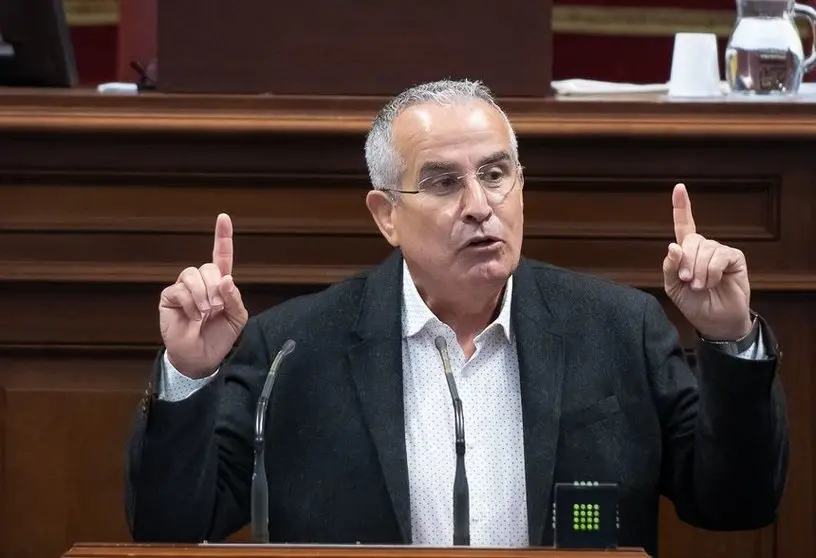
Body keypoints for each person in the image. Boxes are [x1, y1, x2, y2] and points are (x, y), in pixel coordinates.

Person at [125, 79, 788, 557]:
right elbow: (170, 525)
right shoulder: (295, 350)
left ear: (521, 187)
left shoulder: (618, 328)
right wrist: (187, 374)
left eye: (497, 174)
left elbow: (737, 504)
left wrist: (729, 337)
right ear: (386, 215)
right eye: (444, 183)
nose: (480, 205)